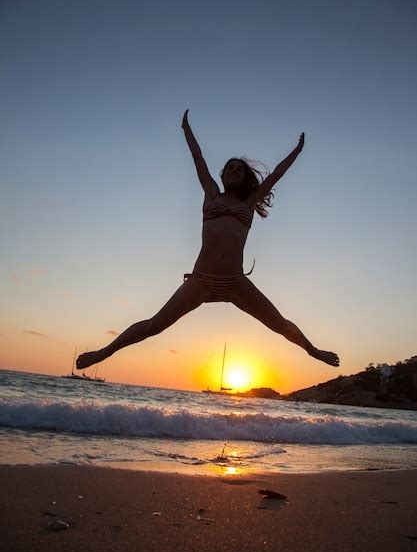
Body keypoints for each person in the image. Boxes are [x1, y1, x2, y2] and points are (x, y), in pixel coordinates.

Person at [76, 111, 339, 371]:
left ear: (245, 178)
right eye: (230, 168)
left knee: (280, 324)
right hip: (202, 280)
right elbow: (198, 158)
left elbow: (276, 174)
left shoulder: (250, 201)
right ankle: (104, 352)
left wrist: (297, 151)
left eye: (239, 169)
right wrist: (185, 129)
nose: (234, 171)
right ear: (223, 175)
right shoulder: (211, 194)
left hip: (235, 282)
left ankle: (313, 350)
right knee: (154, 325)